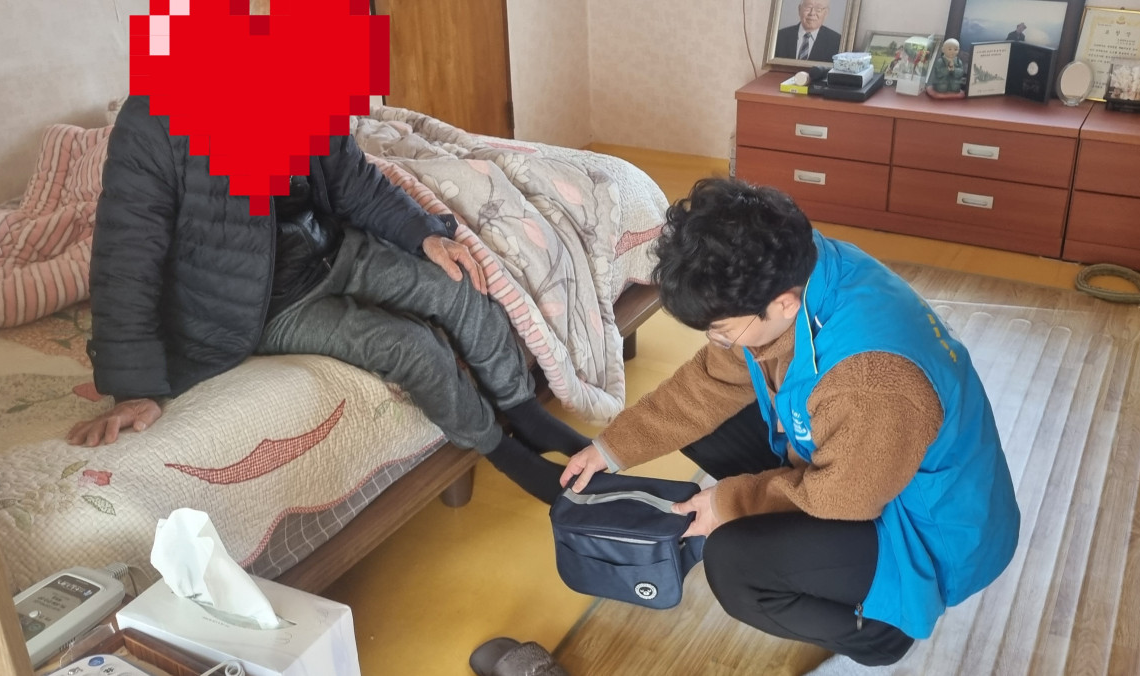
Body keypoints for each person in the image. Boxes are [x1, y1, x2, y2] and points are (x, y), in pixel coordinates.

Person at [558, 179, 1021, 665]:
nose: (717, 341)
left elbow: (844, 499)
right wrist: (611, 448)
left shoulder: (870, 380)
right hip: (870, 465)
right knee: (706, 425)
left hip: (929, 534)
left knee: (733, 564)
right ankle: (808, 551)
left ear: (782, 303)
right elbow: (709, 383)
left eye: (721, 329)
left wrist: (729, 503)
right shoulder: (793, 267)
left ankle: (880, 630)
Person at [68, 92, 580, 505]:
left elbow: (352, 180)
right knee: (410, 346)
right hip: (258, 303)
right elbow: (126, 257)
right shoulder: (152, 119)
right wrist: (132, 387)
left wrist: (424, 234)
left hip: (327, 248)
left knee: (458, 285)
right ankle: (502, 451)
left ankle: (526, 413)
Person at [774, 0, 843, 63]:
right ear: (799, 9)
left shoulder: (837, 42)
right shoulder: (779, 37)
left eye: (818, 9)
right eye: (808, 7)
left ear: (826, 13)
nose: (812, 13)